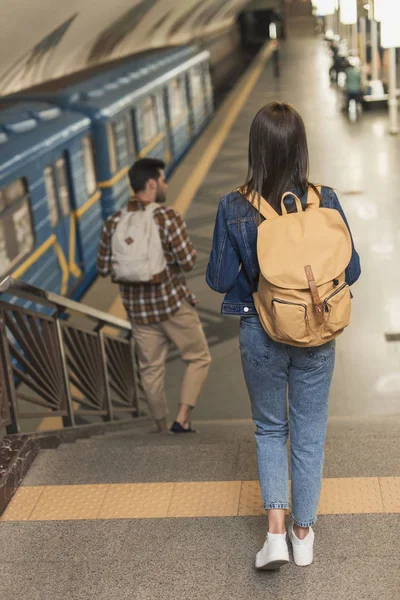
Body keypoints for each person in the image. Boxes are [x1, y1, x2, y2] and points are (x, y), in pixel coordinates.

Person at [206, 102, 361, 569]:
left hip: (260, 329)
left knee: (271, 429)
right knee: (309, 433)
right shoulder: (326, 200)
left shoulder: (233, 206)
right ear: (301, 148)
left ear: (255, 149)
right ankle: (303, 534)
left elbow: (217, 278)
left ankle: (274, 534)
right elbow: (351, 270)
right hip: (316, 328)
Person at [97, 158, 211, 434]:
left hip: (138, 314)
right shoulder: (166, 217)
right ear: (151, 184)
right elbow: (187, 261)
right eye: (162, 180)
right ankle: (182, 418)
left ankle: (160, 426)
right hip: (172, 306)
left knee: (150, 370)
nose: (166, 185)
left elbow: (103, 267)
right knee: (198, 357)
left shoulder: (113, 223)